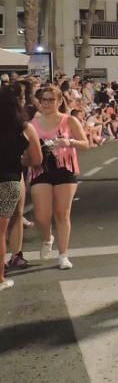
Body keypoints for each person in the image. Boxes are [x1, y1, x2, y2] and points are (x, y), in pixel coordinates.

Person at [30, 85, 90, 270]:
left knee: (62, 213)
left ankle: (63, 255)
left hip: (65, 168)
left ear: (58, 101)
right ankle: (47, 238)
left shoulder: (69, 120)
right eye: (44, 100)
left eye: (51, 99)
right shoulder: (33, 123)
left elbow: (85, 144)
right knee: (41, 215)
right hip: (41, 169)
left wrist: (69, 142)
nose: (47, 103)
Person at [0, 88, 41, 291]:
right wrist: (22, 159)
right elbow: (37, 159)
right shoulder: (25, 127)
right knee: (1, 230)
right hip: (10, 180)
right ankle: (0, 278)